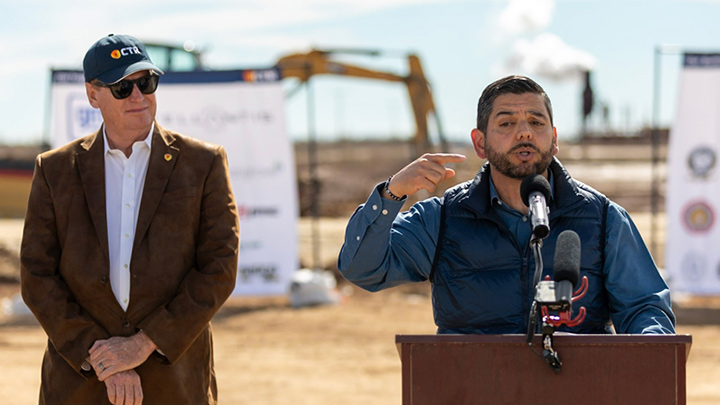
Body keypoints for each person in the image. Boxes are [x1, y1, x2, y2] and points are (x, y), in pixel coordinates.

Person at [338, 75, 675, 335]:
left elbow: (644, 307)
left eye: (536, 122)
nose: (524, 133)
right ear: (480, 143)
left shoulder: (603, 218)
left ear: (554, 139)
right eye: (506, 123)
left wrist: (649, 348)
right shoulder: (442, 218)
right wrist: (392, 194)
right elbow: (363, 269)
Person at [20, 34, 240, 404]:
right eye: (123, 87)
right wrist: (103, 358)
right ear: (93, 95)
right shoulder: (54, 170)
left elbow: (218, 268)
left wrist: (143, 344)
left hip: (175, 383)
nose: (138, 96)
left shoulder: (203, 163)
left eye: (146, 82)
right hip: (79, 384)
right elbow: (37, 275)